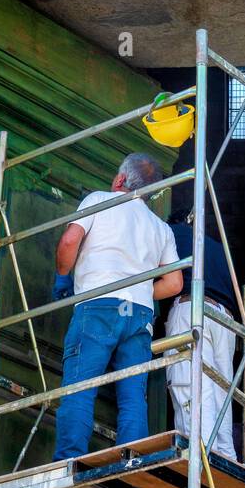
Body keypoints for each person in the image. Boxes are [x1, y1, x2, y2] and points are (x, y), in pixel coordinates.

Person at [52, 153, 182, 461]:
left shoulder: (100, 199)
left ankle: (68, 461)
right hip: (139, 315)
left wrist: (61, 277)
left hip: (99, 305)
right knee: (133, 396)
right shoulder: (160, 227)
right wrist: (138, 290)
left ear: (120, 180)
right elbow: (175, 283)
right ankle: (131, 462)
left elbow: (70, 241)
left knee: (80, 388)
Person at [164, 210, 238, 460]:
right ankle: (226, 460)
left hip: (192, 311)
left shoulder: (169, 233)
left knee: (192, 388)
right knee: (221, 393)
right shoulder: (217, 248)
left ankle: (202, 462)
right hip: (225, 321)